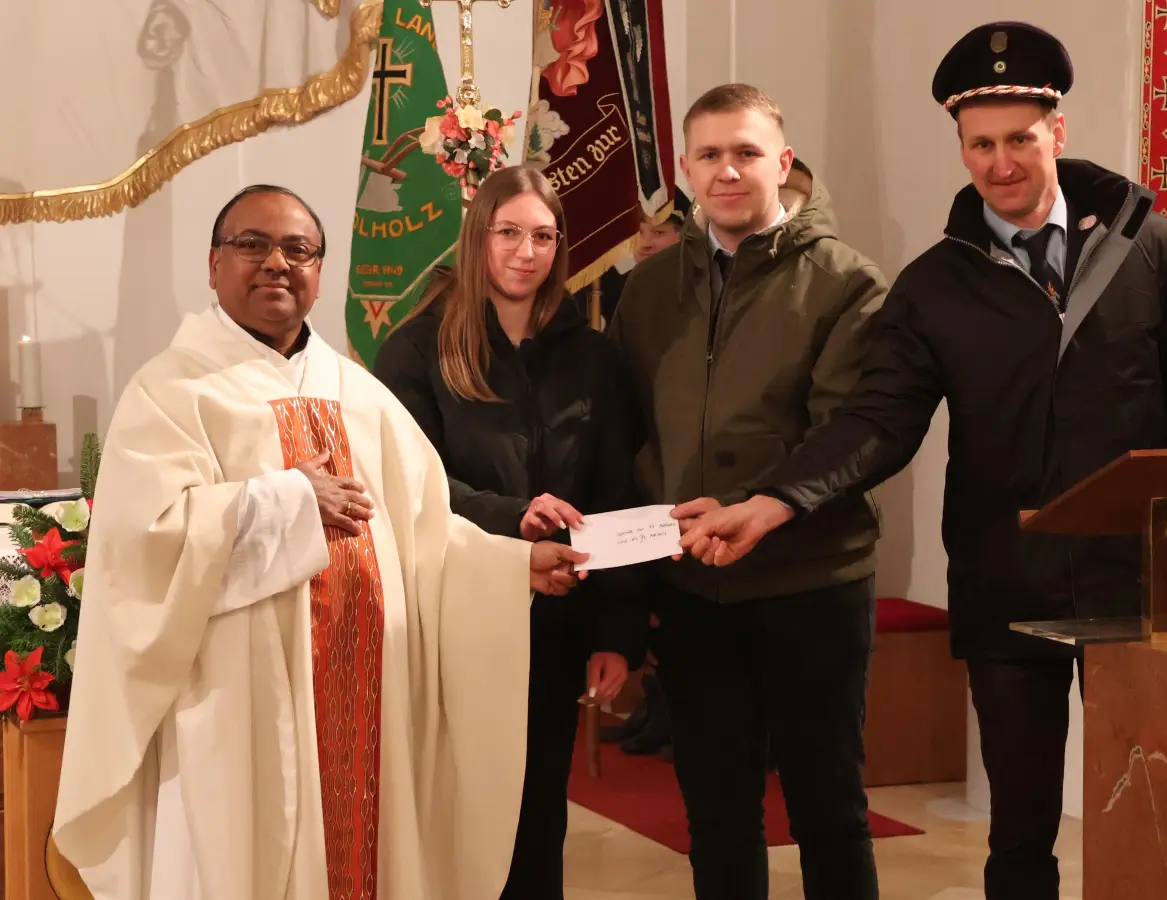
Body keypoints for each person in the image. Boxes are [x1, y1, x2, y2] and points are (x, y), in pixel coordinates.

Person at [673, 23, 1167, 898]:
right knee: (1018, 835)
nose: (1001, 163)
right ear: (962, 148)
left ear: (1059, 130)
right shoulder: (936, 283)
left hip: (1145, 588)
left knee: (1162, 819)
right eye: (981, 144)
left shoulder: (1146, 248)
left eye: (1020, 138)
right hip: (1009, 586)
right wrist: (773, 500)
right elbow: (875, 422)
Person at [52, 185, 590, 900]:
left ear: (320, 272)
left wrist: (517, 562)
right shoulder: (170, 393)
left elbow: (427, 530)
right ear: (214, 265)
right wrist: (288, 499)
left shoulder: (358, 393)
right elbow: (146, 548)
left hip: (372, 703)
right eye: (253, 244)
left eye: (298, 249)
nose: (276, 262)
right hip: (239, 707)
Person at [606, 83, 889, 899]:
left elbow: (848, 432)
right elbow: (627, 434)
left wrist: (754, 506)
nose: (728, 171)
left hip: (811, 580)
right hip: (694, 583)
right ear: (688, 170)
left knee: (826, 807)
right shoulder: (650, 290)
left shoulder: (845, 282)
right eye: (710, 156)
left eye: (746, 153)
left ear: (783, 162)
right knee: (718, 811)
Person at [372, 165, 647, 899]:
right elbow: (406, 485)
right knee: (459, 811)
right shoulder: (417, 349)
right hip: (458, 618)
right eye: (509, 233)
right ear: (478, 238)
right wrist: (511, 520)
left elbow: (619, 490)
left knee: (537, 817)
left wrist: (617, 634)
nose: (527, 252)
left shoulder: (591, 355)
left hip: (559, 620)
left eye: (544, 236)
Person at [595, 190, 693, 324]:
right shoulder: (615, 292)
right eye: (638, 232)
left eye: (658, 233)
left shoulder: (701, 289)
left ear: (682, 236)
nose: (645, 244)